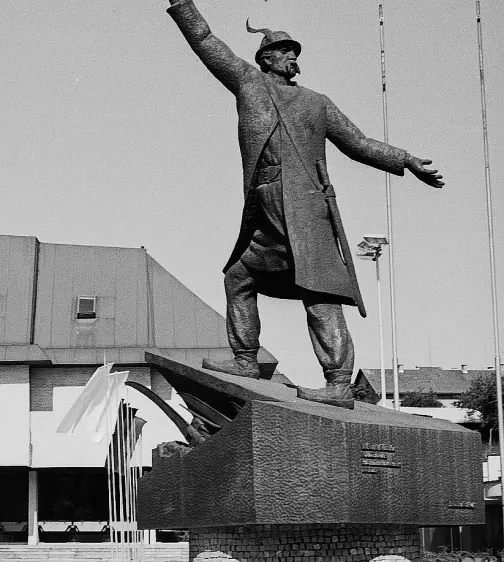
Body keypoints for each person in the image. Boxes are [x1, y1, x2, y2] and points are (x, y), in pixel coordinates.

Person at [164, 0, 444, 406]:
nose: (294, 58)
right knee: (239, 278)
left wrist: (405, 159)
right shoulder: (247, 82)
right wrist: (181, 5)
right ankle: (246, 359)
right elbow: (206, 40)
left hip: (306, 210)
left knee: (320, 294)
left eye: (295, 53)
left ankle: (337, 383)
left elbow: (358, 143)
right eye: (286, 51)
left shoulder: (317, 102)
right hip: (265, 205)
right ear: (266, 59)